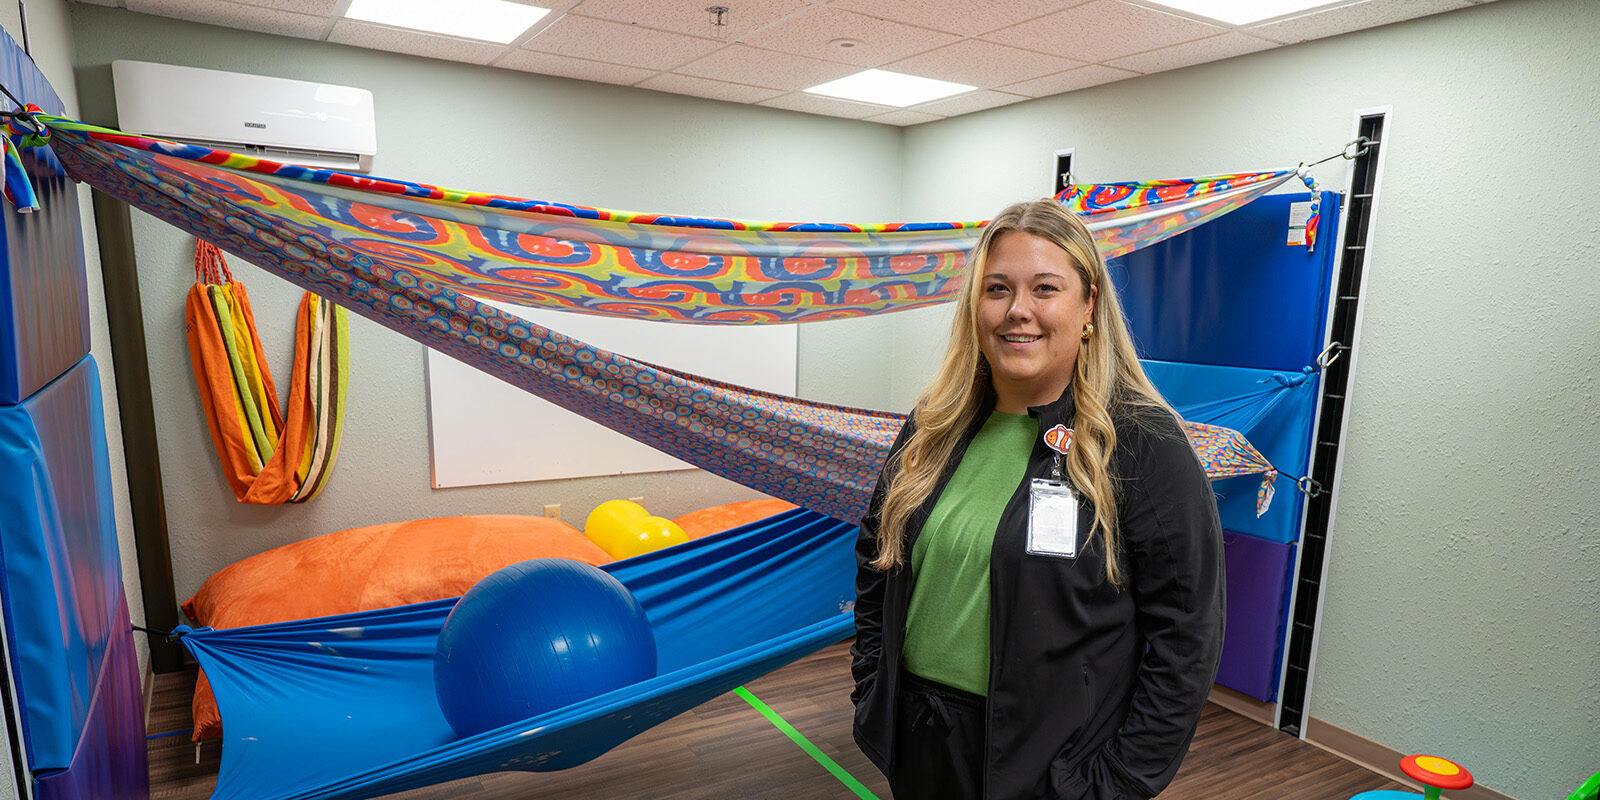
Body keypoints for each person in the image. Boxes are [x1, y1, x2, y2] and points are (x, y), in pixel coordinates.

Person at [850, 199, 1225, 800]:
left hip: (1052, 768)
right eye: (997, 289)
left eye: (1044, 288)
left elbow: (1190, 632)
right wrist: (873, 682)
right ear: (975, 306)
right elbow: (878, 552)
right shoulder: (934, 424)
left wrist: (1118, 782)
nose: (1017, 311)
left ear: (1089, 306)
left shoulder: (1140, 441)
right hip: (920, 743)